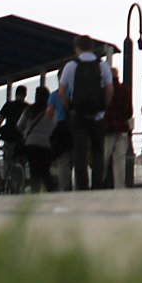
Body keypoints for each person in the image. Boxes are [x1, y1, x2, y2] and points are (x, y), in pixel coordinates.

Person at [60, 35, 110, 191]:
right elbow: (110, 89)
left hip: (78, 114)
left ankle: (82, 186)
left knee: (79, 151)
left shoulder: (70, 66)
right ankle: (97, 185)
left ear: (78, 48)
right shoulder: (102, 66)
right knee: (98, 150)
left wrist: (70, 107)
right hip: (97, 115)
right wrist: (103, 107)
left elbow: (62, 92)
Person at [21, 86, 58, 192]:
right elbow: (56, 126)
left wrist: (25, 134)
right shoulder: (52, 110)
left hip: (31, 144)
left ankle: (35, 193)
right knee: (45, 171)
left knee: (34, 171)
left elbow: (20, 126)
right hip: (47, 144)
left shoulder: (29, 109)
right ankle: (52, 191)